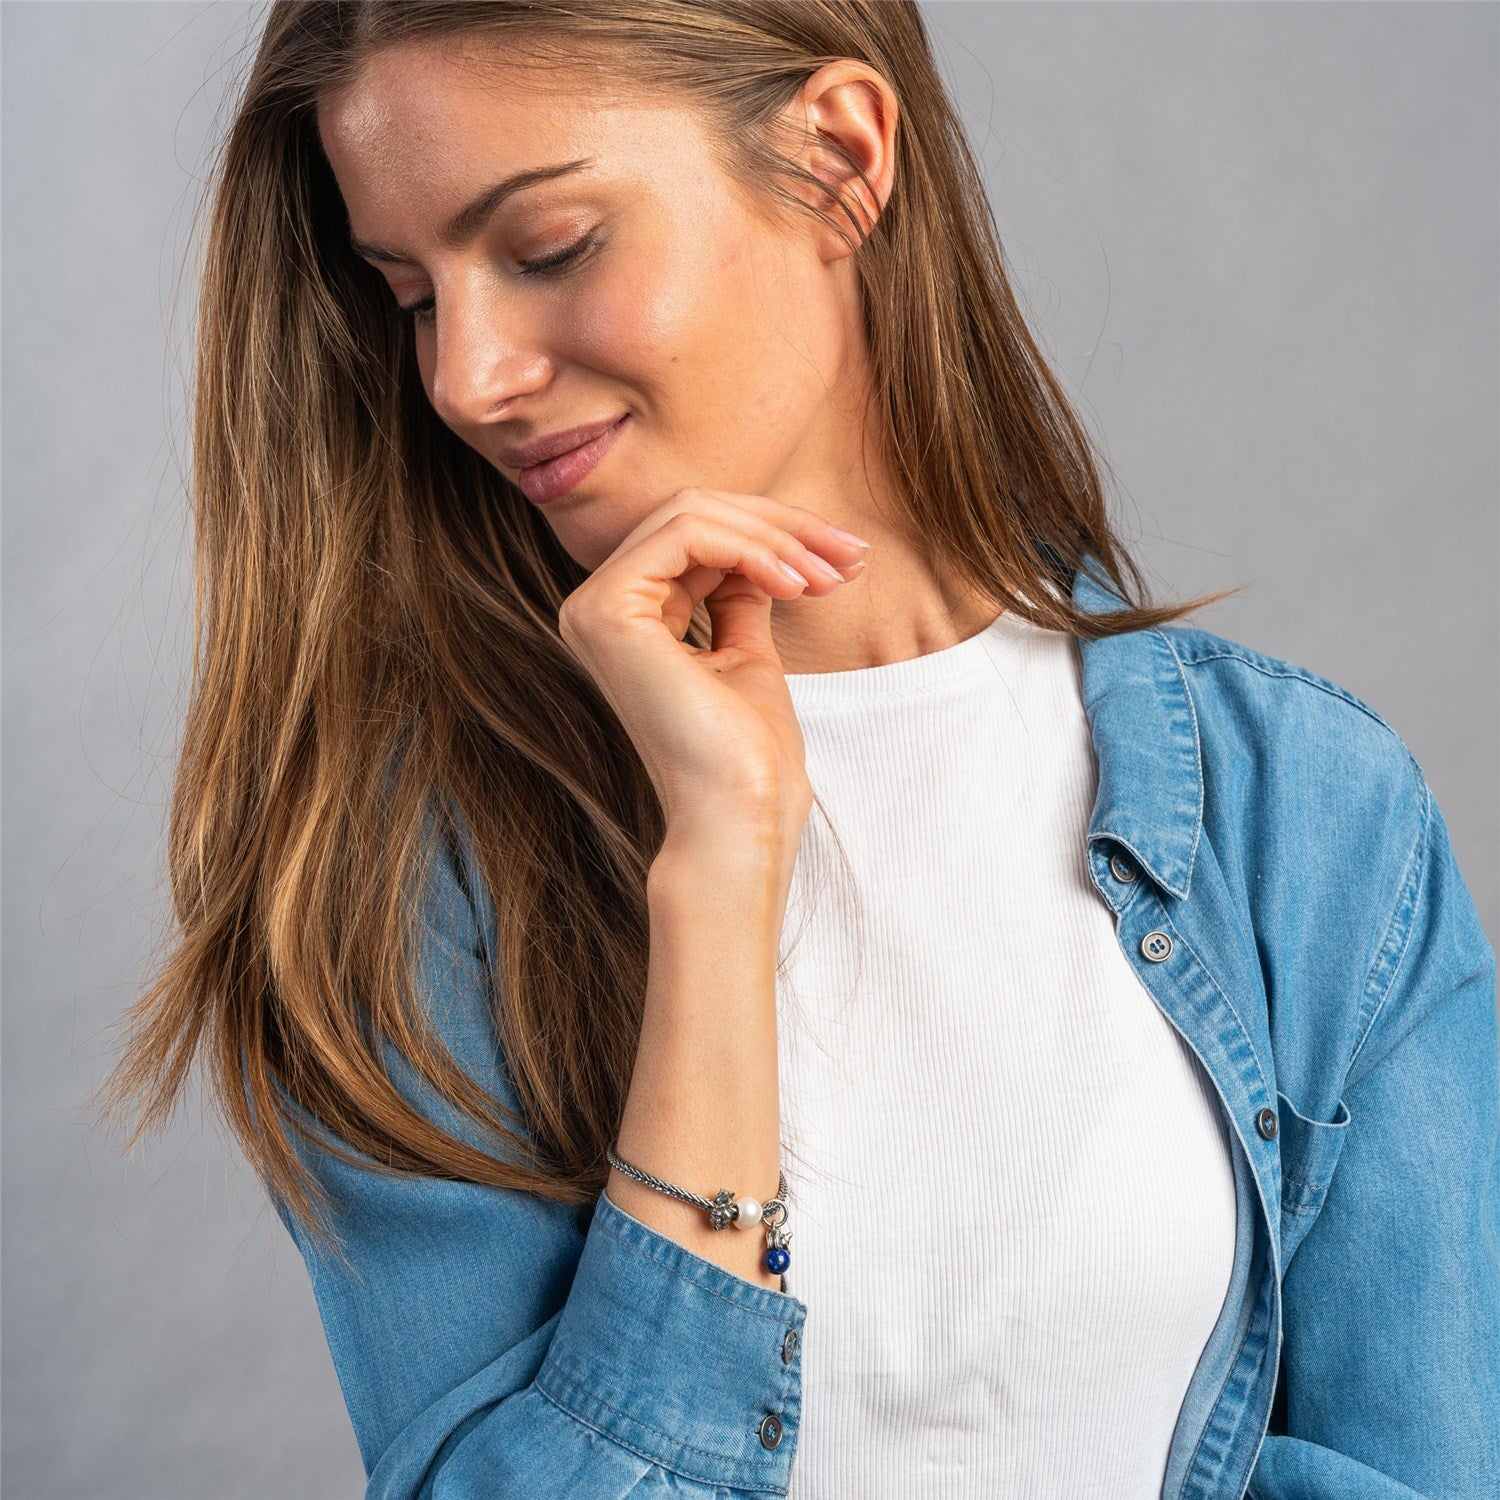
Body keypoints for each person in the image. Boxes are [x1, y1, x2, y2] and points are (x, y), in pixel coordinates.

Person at [92, 2, 1499, 1497]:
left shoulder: (1311, 814)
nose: (466, 377)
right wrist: (717, 875)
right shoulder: (395, 880)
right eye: (411, 296)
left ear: (837, 159)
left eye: (550, 246)